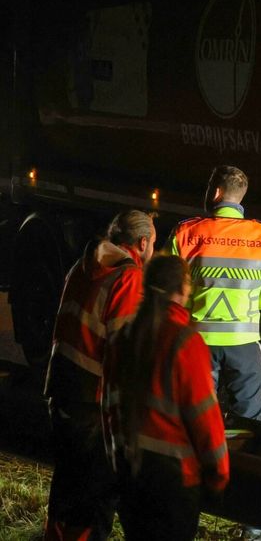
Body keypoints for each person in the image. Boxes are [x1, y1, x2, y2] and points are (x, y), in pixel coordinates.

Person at [43, 210, 155, 540]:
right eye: (153, 244)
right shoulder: (128, 278)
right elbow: (123, 355)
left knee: (66, 487)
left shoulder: (82, 266)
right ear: (143, 243)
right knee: (95, 498)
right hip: (94, 403)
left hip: (61, 389)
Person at [102, 254, 229, 540]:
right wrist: (218, 477)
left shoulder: (122, 338)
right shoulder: (185, 342)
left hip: (131, 475)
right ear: (183, 288)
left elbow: (108, 408)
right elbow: (205, 419)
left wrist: (117, 463)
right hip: (174, 484)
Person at [169, 165, 261, 420]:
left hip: (197, 342)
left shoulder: (185, 233)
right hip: (244, 343)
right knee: (251, 420)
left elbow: (168, 291)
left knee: (194, 418)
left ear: (216, 192)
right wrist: (245, 303)